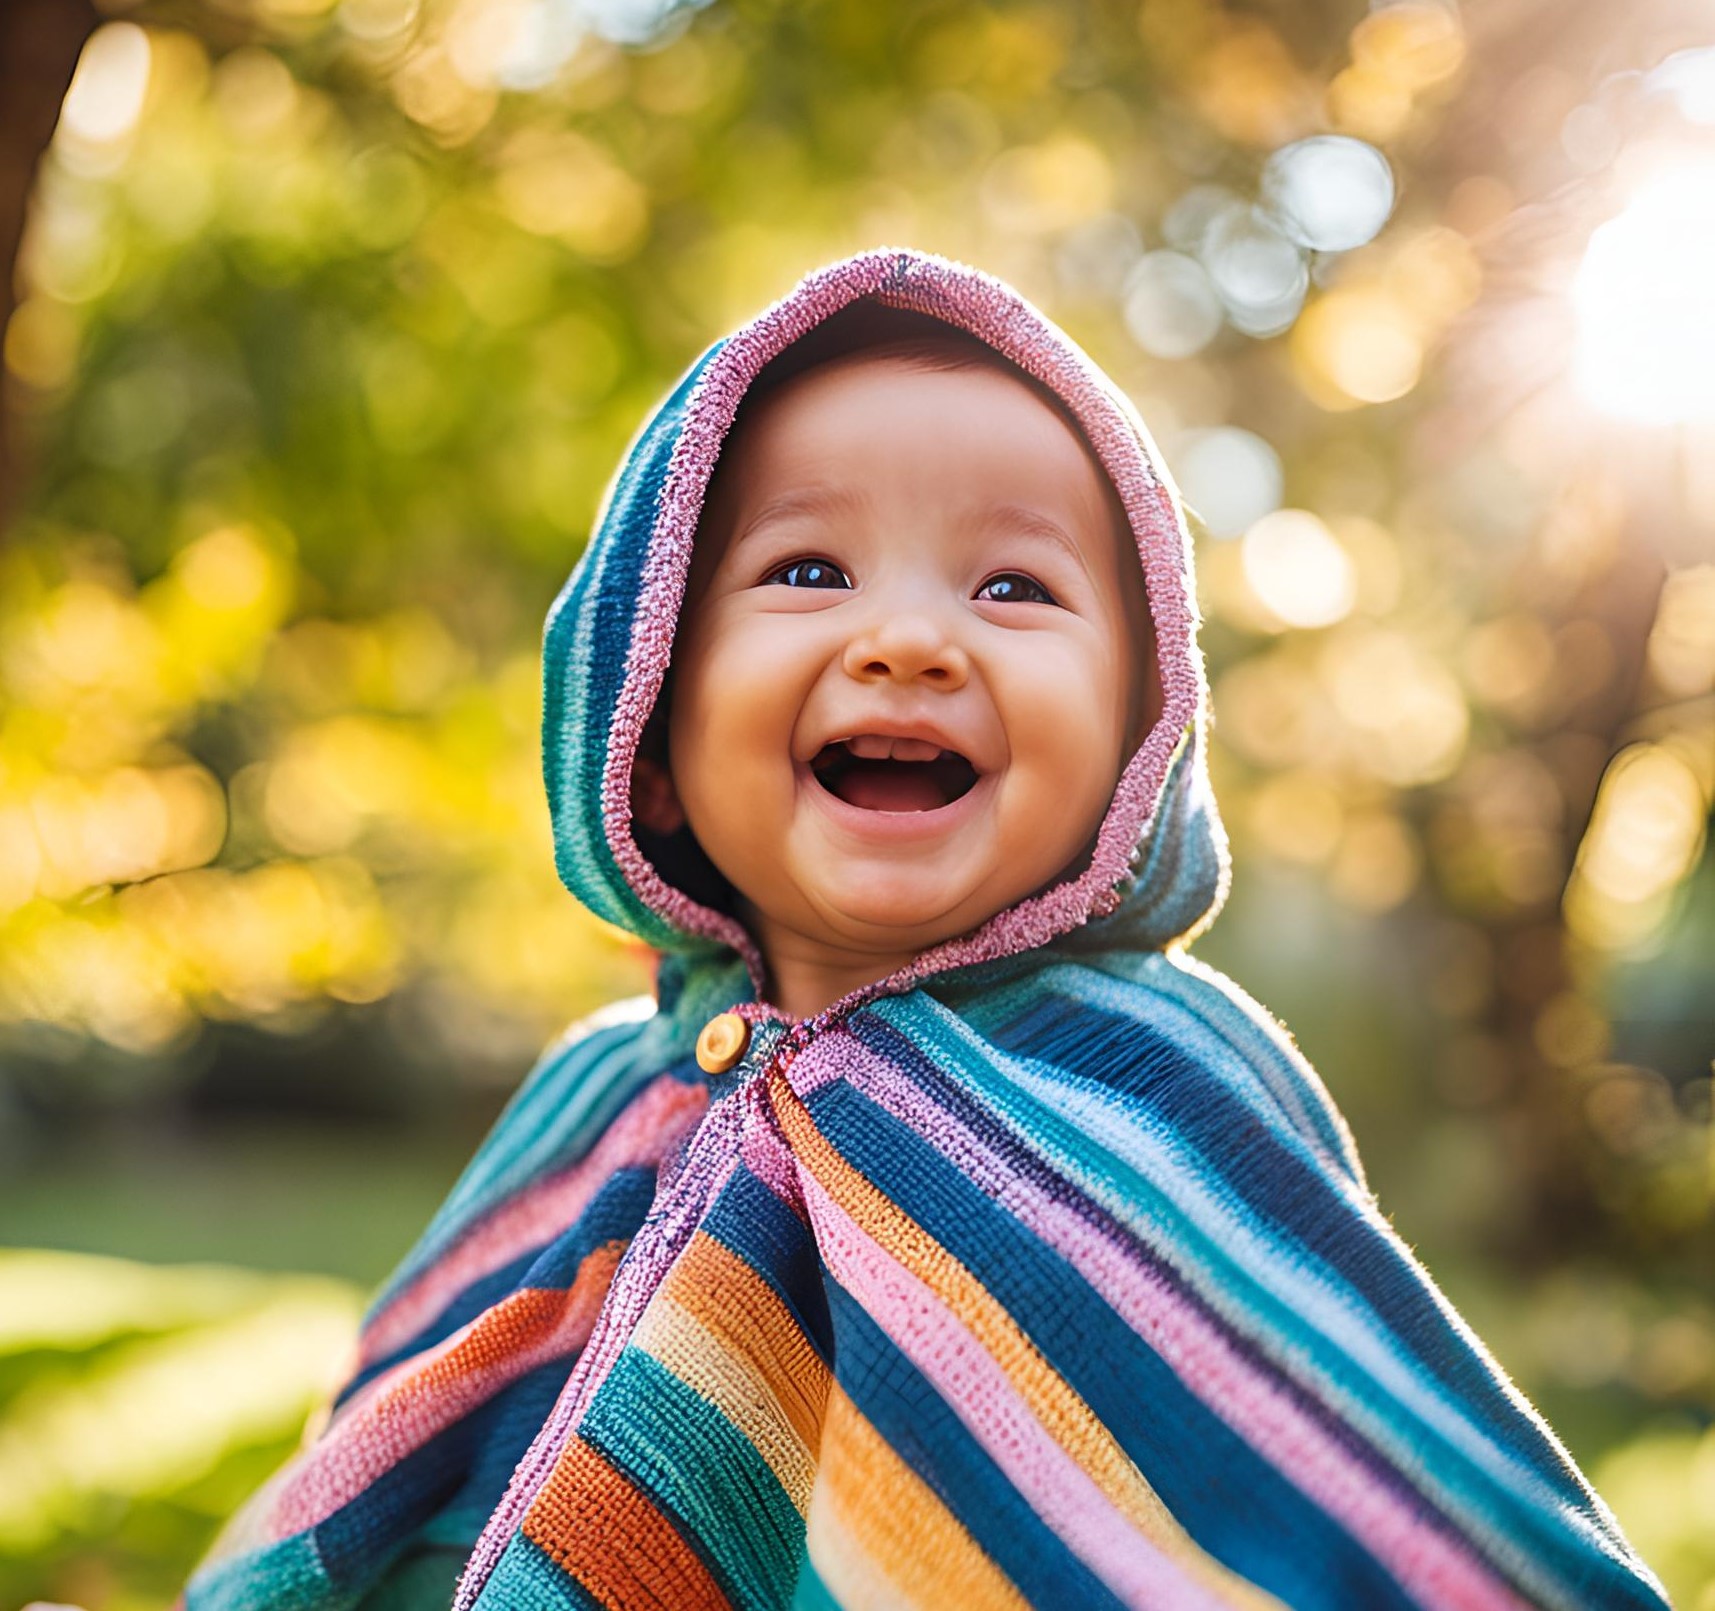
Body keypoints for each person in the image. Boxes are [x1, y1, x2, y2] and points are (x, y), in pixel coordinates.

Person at [181, 248, 1669, 1610]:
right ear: (648, 725)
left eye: (1014, 585)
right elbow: (391, 1469)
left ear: (1138, 744)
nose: (909, 640)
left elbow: (1349, 1482)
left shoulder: (1158, 1081)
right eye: (808, 571)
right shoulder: (594, 1105)